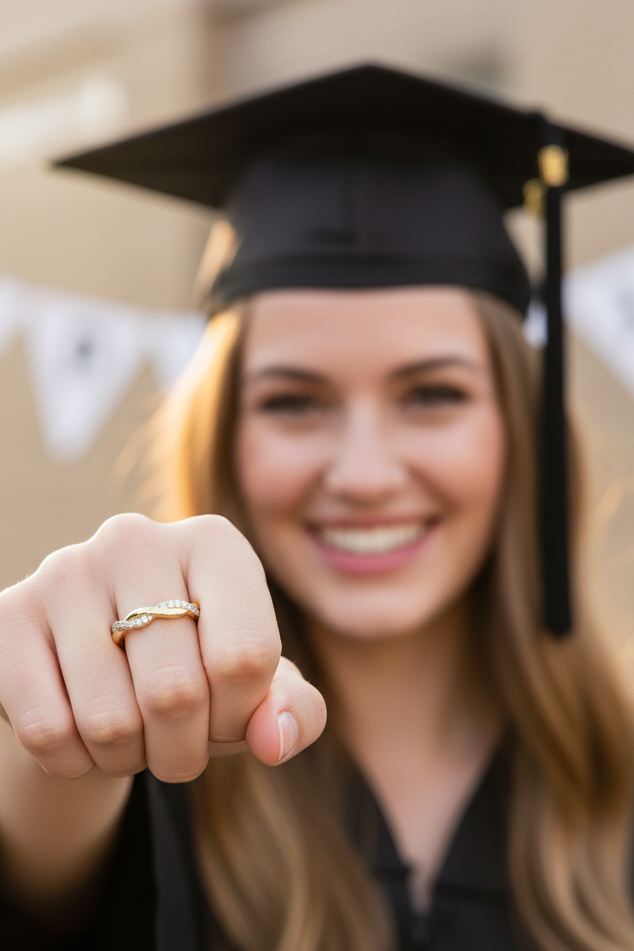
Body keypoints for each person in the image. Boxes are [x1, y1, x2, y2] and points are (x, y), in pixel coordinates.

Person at [1, 64, 634, 951]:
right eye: (294, 402)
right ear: (222, 438)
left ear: (519, 428)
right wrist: (55, 754)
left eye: (432, 394)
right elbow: (43, 888)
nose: (365, 473)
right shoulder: (159, 781)